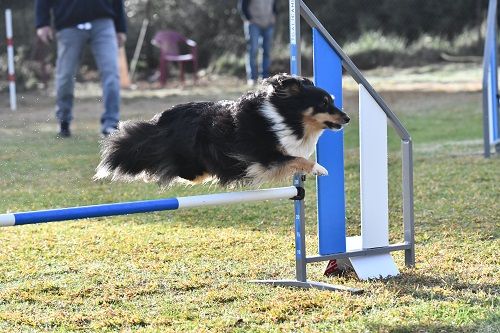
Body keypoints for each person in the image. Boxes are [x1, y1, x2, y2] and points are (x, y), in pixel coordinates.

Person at [35, 0, 127, 138]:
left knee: (112, 74)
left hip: (103, 22)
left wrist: (121, 28)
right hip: (68, 24)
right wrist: (42, 23)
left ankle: (111, 124)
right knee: (65, 76)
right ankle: (64, 121)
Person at [239, 0, 277, 86]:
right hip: (253, 24)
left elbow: (274, 5)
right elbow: (242, 6)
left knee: (266, 52)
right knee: (253, 50)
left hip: (268, 24)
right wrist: (249, 19)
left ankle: (265, 78)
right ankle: (252, 78)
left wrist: (273, 17)